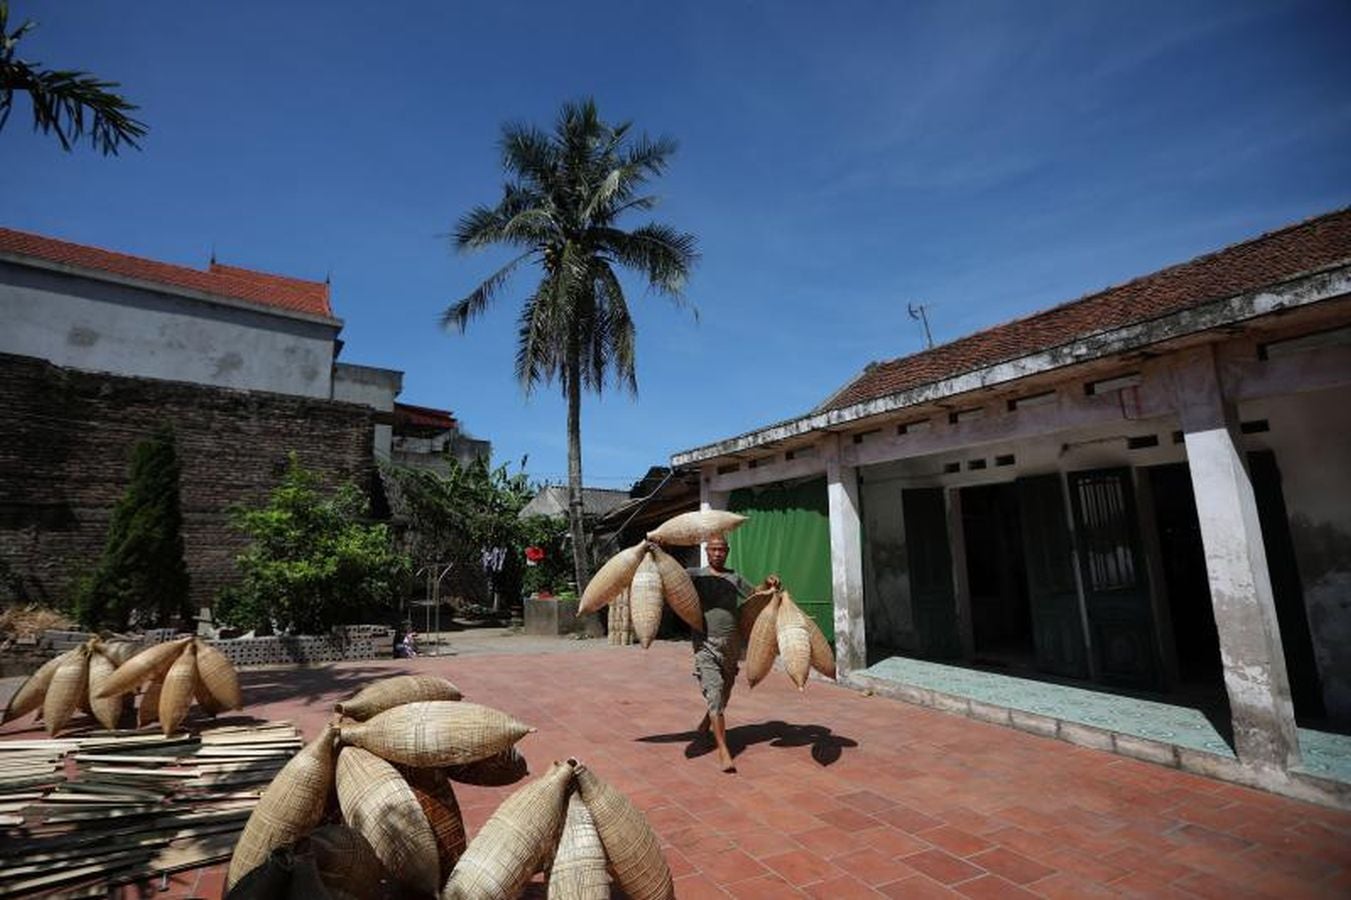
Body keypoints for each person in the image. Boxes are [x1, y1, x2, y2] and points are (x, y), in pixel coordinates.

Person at [679, 534, 774, 773]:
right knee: (714, 691)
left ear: (727, 551)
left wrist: (768, 584)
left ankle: (706, 721)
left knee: (725, 691)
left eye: (722, 550)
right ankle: (723, 750)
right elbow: (671, 578)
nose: (718, 553)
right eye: (713, 549)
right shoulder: (695, 575)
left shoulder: (734, 578)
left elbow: (755, 597)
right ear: (707, 551)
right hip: (705, 644)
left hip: (732, 645)